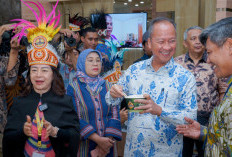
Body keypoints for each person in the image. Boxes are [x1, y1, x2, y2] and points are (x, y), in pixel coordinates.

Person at [106, 17, 197, 156]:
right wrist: (112, 93)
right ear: (149, 43)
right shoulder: (134, 70)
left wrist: (160, 110)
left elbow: (190, 118)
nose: (167, 47)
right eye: (161, 41)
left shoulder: (185, 77)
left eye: (171, 41)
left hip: (167, 153)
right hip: (134, 151)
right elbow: (111, 101)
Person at [2, 1, 80, 156]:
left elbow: (75, 136)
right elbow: (8, 139)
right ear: (28, 74)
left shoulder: (65, 102)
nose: (38, 75)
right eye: (34, 70)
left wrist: (55, 131)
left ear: (53, 74)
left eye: (44, 70)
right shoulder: (19, 102)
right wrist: (22, 131)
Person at [176, 17, 232, 157]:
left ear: (229, 46)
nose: (208, 60)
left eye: (210, 52)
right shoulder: (177, 63)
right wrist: (204, 132)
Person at [67, 49, 122, 157]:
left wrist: (106, 142)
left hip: (108, 145)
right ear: (82, 63)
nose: (95, 63)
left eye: (98, 60)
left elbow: (115, 114)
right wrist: (98, 140)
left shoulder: (108, 85)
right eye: (90, 60)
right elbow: (74, 118)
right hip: (85, 145)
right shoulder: (73, 87)